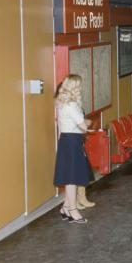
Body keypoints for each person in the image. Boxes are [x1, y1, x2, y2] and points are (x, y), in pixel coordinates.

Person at [53, 74, 93, 224]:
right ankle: (72, 210)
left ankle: (65, 207)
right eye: (79, 85)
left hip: (66, 140)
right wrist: (87, 122)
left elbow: (63, 126)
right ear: (74, 87)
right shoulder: (71, 105)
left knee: (72, 175)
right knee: (72, 178)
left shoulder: (61, 103)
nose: (81, 88)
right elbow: (82, 126)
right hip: (72, 141)